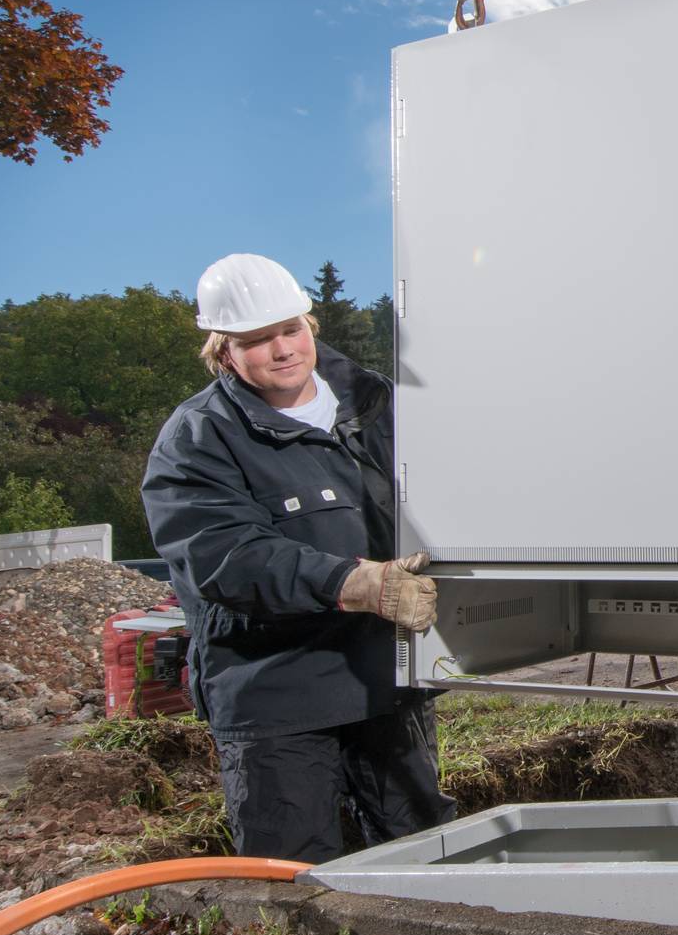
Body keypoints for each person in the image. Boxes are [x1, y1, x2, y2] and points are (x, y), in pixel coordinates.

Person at [142, 252, 451, 861]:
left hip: (384, 681)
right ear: (223, 351)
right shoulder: (198, 438)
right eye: (257, 340)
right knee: (292, 873)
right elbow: (225, 555)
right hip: (276, 696)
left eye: (290, 329)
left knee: (425, 855)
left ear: (310, 325)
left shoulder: (377, 403)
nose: (282, 349)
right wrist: (354, 583)